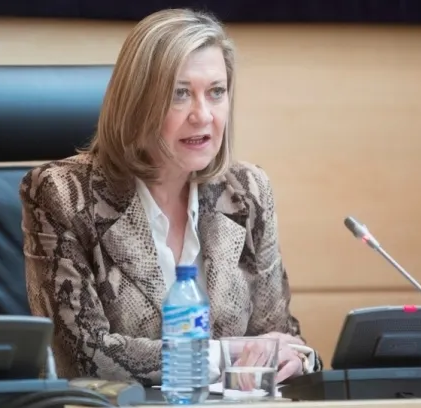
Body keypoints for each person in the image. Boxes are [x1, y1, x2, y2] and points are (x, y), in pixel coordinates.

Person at [19, 8, 322, 386]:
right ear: (136, 103)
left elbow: (279, 336)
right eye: (180, 94)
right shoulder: (62, 193)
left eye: (216, 92)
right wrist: (224, 353)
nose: (203, 115)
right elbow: (83, 357)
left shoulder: (247, 192)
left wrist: (299, 360)